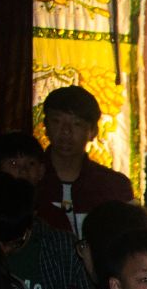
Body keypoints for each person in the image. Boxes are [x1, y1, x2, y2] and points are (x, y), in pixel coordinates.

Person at [0, 134, 98, 289]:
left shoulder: (60, 243)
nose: (22, 172)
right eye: (14, 164)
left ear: (41, 171)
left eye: (30, 164)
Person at [36, 85, 134, 238]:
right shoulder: (30, 180)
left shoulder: (114, 187)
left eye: (77, 124)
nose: (66, 131)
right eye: (57, 121)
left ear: (93, 131)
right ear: (45, 126)